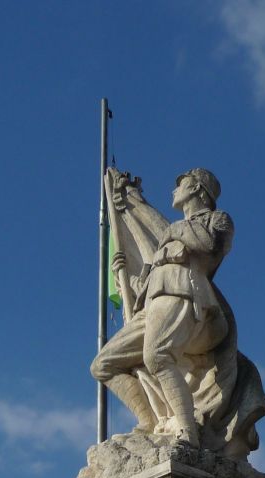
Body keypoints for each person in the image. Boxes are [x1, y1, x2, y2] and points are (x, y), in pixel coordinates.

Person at [91, 168, 234, 445]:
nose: (173, 190)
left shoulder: (218, 220)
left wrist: (140, 207)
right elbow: (149, 277)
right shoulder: (175, 231)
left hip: (185, 294)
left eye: (180, 184)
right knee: (103, 365)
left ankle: (187, 431)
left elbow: (205, 244)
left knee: (156, 356)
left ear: (197, 189)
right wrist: (129, 280)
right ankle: (151, 422)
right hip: (155, 301)